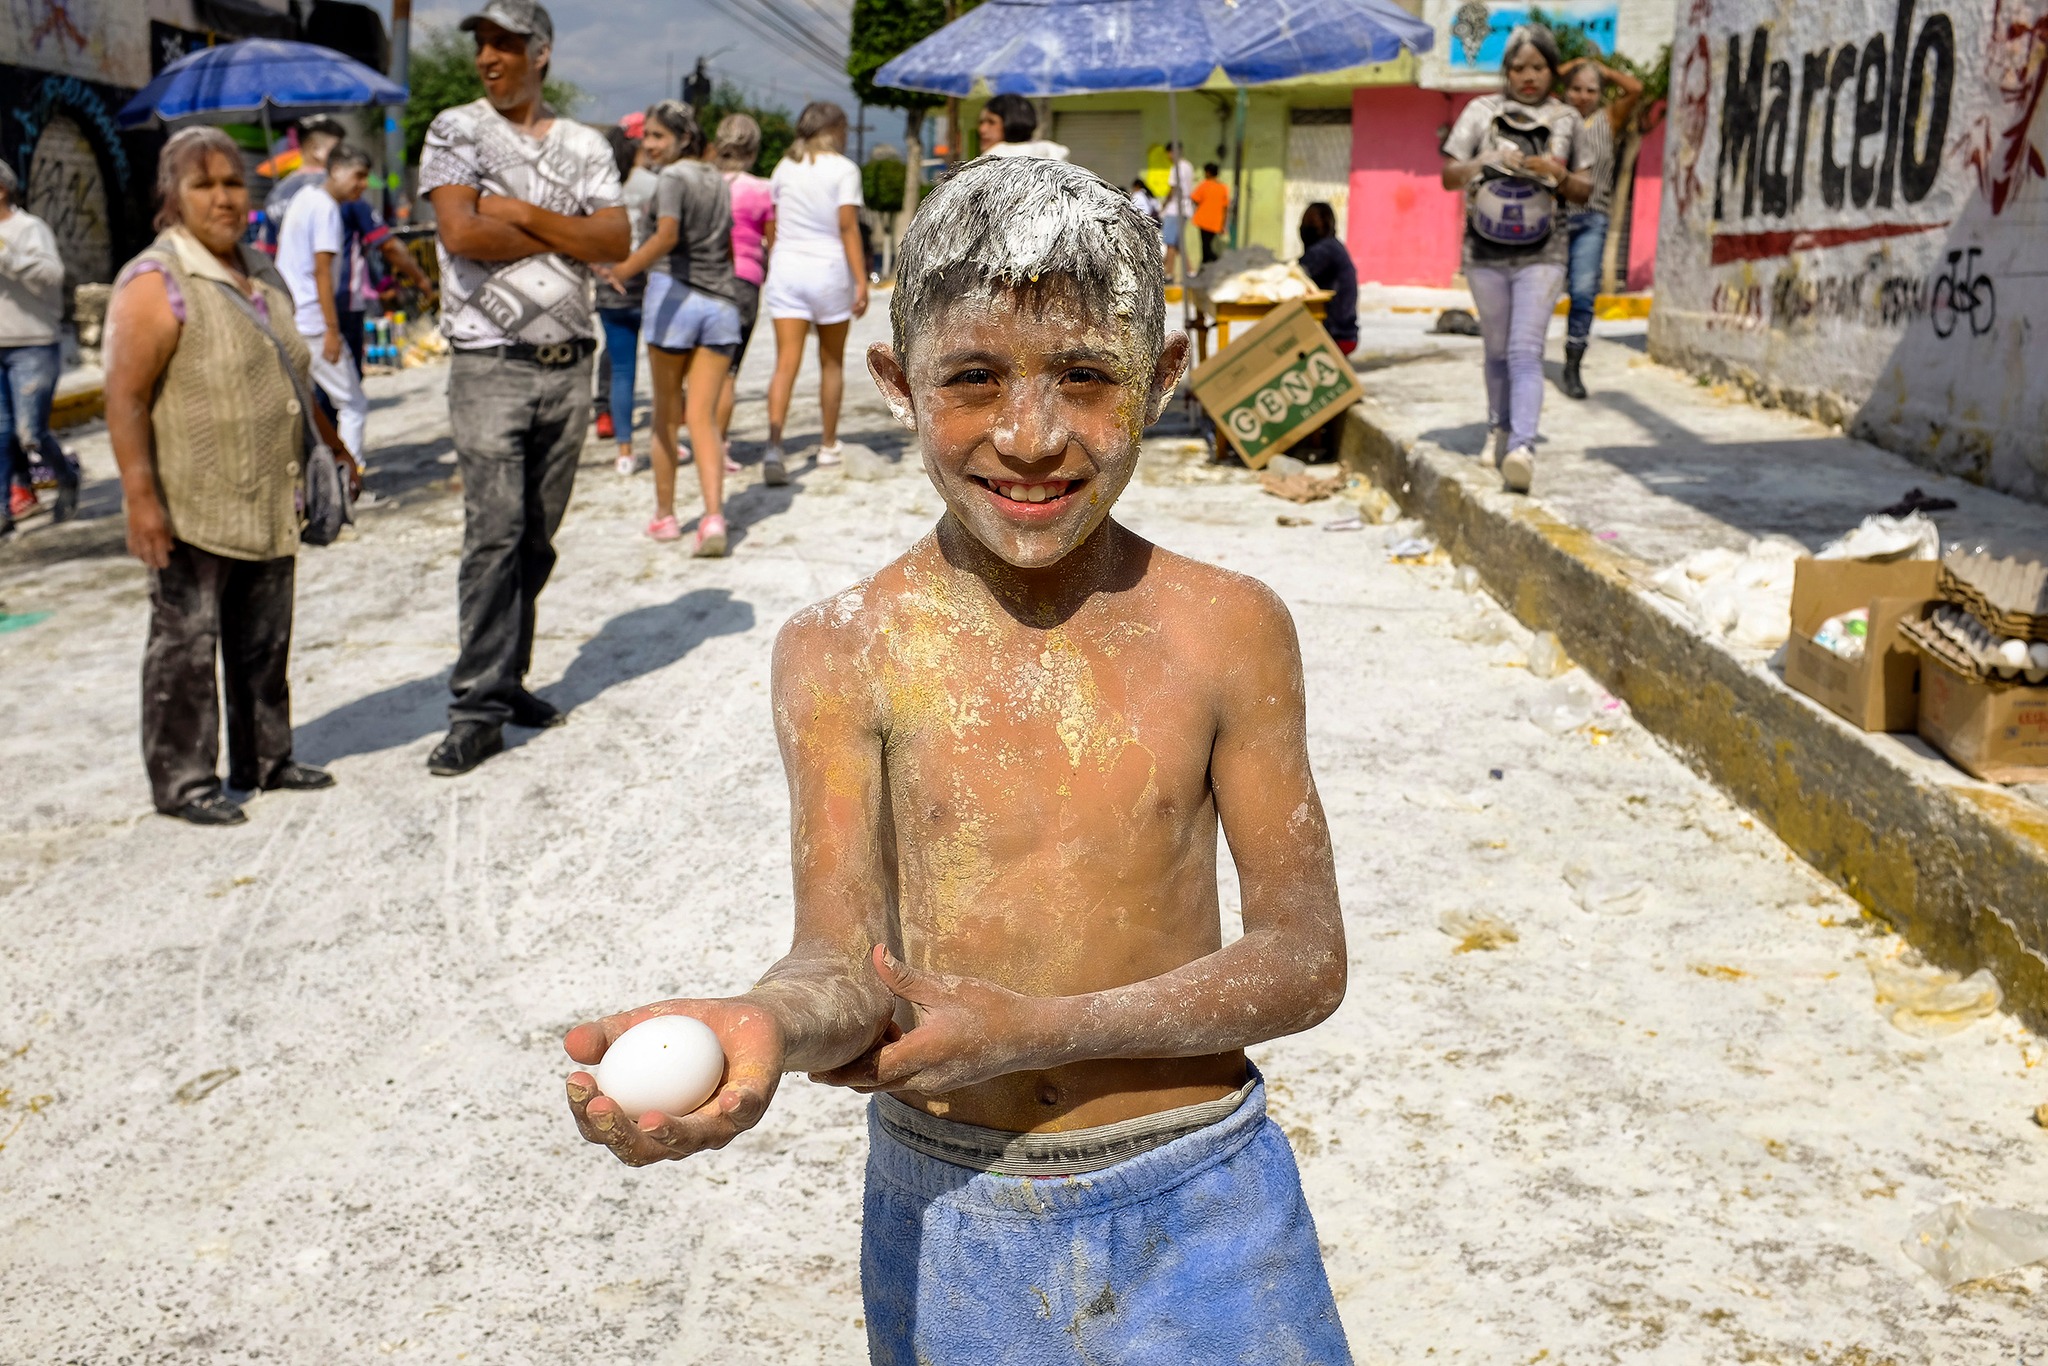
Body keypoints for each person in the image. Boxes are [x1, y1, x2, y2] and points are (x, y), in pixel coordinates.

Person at [562, 156, 1352, 1364]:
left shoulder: (1227, 627)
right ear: (895, 382)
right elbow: (845, 963)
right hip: (952, 1218)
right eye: (972, 379)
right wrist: (765, 1023)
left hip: (1204, 1208)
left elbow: (1302, 960)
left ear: (1167, 376)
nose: (1031, 437)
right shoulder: (843, 651)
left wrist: (1036, 1026)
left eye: (1087, 377)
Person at [105, 127, 356, 825]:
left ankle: (264, 758)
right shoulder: (158, 280)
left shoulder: (262, 272)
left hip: (269, 491)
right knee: (186, 644)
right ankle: (185, 782)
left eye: (232, 182)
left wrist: (332, 446)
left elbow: (291, 371)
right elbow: (122, 397)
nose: (222, 197)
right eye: (203, 184)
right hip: (193, 499)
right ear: (171, 196)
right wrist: (140, 498)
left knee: (264, 637)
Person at [418, 0, 628, 776]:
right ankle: (475, 705)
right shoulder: (455, 130)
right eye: (482, 44)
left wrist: (519, 210)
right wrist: (563, 227)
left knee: (537, 537)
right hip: (488, 363)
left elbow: (615, 239)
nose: (488, 58)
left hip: (568, 363)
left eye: (505, 44)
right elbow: (461, 234)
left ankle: (508, 679)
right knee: (495, 533)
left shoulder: (582, 142)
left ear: (541, 53)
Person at [1439, 23, 1590, 495]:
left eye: (1538, 67)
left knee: (1526, 350)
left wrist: (1557, 174)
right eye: (1519, 67)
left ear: (1551, 71)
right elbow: (1448, 175)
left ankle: (1522, 446)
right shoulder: (1479, 112)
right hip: (1484, 251)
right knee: (1497, 350)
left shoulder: (1568, 119)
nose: (1529, 76)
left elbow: (1585, 190)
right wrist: (1481, 162)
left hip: (1543, 252)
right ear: (1506, 71)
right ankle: (1497, 429)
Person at [602, 100, 741, 554]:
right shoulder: (716, 179)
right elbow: (727, 248)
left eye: (659, 136)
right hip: (721, 305)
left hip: (675, 300)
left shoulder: (672, 179)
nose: (649, 144)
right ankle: (715, 518)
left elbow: (665, 236)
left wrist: (622, 270)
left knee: (666, 416)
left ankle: (665, 516)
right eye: (648, 136)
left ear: (683, 138)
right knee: (702, 417)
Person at [265, 115, 434, 377]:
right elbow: (386, 245)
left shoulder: (277, 195)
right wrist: (422, 281)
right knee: (346, 391)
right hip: (338, 305)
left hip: (292, 310)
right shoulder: (339, 193)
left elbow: (267, 257)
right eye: (338, 150)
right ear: (317, 150)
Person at [762, 101, 867, 472]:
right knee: (832, 362)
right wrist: (861, 280)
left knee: (784, 363)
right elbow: (847, 227)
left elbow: (772, 222)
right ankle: (826, 444)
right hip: (828, 270)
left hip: (787, 268)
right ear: (835, 129)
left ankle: (774, 447)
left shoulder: (783, 167)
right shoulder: (844, 170)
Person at [276, 143, 374, 459]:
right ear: (336, 170)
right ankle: (349, 478)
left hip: (290, 316)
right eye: (358, 176)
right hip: (313, 322)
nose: (362, 185)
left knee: (305, 404)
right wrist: (332, 329)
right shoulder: (326, 208)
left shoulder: (303, 199)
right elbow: (322, 272)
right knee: (352, 403)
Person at [1557, 54, 1642, 400]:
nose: (1582, 96)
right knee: (1541, 291)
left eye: (1591, 90)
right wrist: (1574, 63)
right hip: (1553, 219)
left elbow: (1635, 88)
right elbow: (1548, 77)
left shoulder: (1609, 119)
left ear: (1600, 94)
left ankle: (1573, 365)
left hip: (1592, 219)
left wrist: (1600, 68)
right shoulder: (1555, 119)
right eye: (1576, 89)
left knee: (1582, 293)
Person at [0, 155, 76, 535]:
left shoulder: (30, 229)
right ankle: (5, 508)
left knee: (30, 432)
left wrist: (7, 256)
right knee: (0, 430)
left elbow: (52, 277)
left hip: (33, 343)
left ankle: (65, 477)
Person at [710, 113, 779, 482]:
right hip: (744, 282)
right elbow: (773, 241)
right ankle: (717, 446)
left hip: (702, 280)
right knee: (727, 373)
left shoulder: (703, 182)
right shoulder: (761, 190)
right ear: (753, 148)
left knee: (696, 370)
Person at [593, 121, 655, 469]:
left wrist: (601, 270)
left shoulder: (596, 190)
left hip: (609, 284)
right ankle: (669, 437)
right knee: (665, 365)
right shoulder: (651, 185)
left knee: (621, 368)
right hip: (647, 282)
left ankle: (624, 450)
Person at [1297, 201, 1358, 356]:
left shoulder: (1325, 249)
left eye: (1310, 222)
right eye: (1303, 222)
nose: (1304, 227)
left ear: (1325, 224)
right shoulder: (1333, 246)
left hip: (1336, 333)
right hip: (1341, 331)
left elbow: (1298, 273)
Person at [974, 93, 1069, 160]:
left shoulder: (995, 157)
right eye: (981, 122)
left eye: (991, 122)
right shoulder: (1052, 153)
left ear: (1013, 122)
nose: (982, 130)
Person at [1159, 140, 1196, 282]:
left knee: (1170, 242)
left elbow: (1173, 188)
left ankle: (1168, 274)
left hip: (1175, 208)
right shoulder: (1188, 166)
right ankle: (1190, 271)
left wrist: (1164, 204)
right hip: (1186, 207)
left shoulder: (1176, 168)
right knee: (1178, 243)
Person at [1191, 161, 1230, 265]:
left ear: (1208, 172)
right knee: (1206, 245)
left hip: (1204, 220)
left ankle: (1218, 262)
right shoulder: (1223, 187)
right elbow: (1225, 208)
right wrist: (1223, 224)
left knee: (1206, 246)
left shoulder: (1204, 185)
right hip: (1216, 221)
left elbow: (1195, 199)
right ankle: (1205, 266)